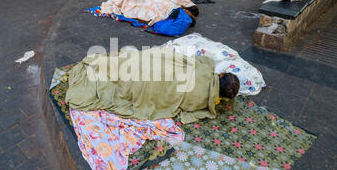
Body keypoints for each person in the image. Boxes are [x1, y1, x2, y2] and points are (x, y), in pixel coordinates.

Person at [65, 48, 240, 124]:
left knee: (134, 62)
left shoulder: (205, 69)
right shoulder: (203, 105)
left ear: (221, 75)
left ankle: (101, 64)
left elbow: (202, 60)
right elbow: (185, 111)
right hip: (143, 89)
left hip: (150, 71)